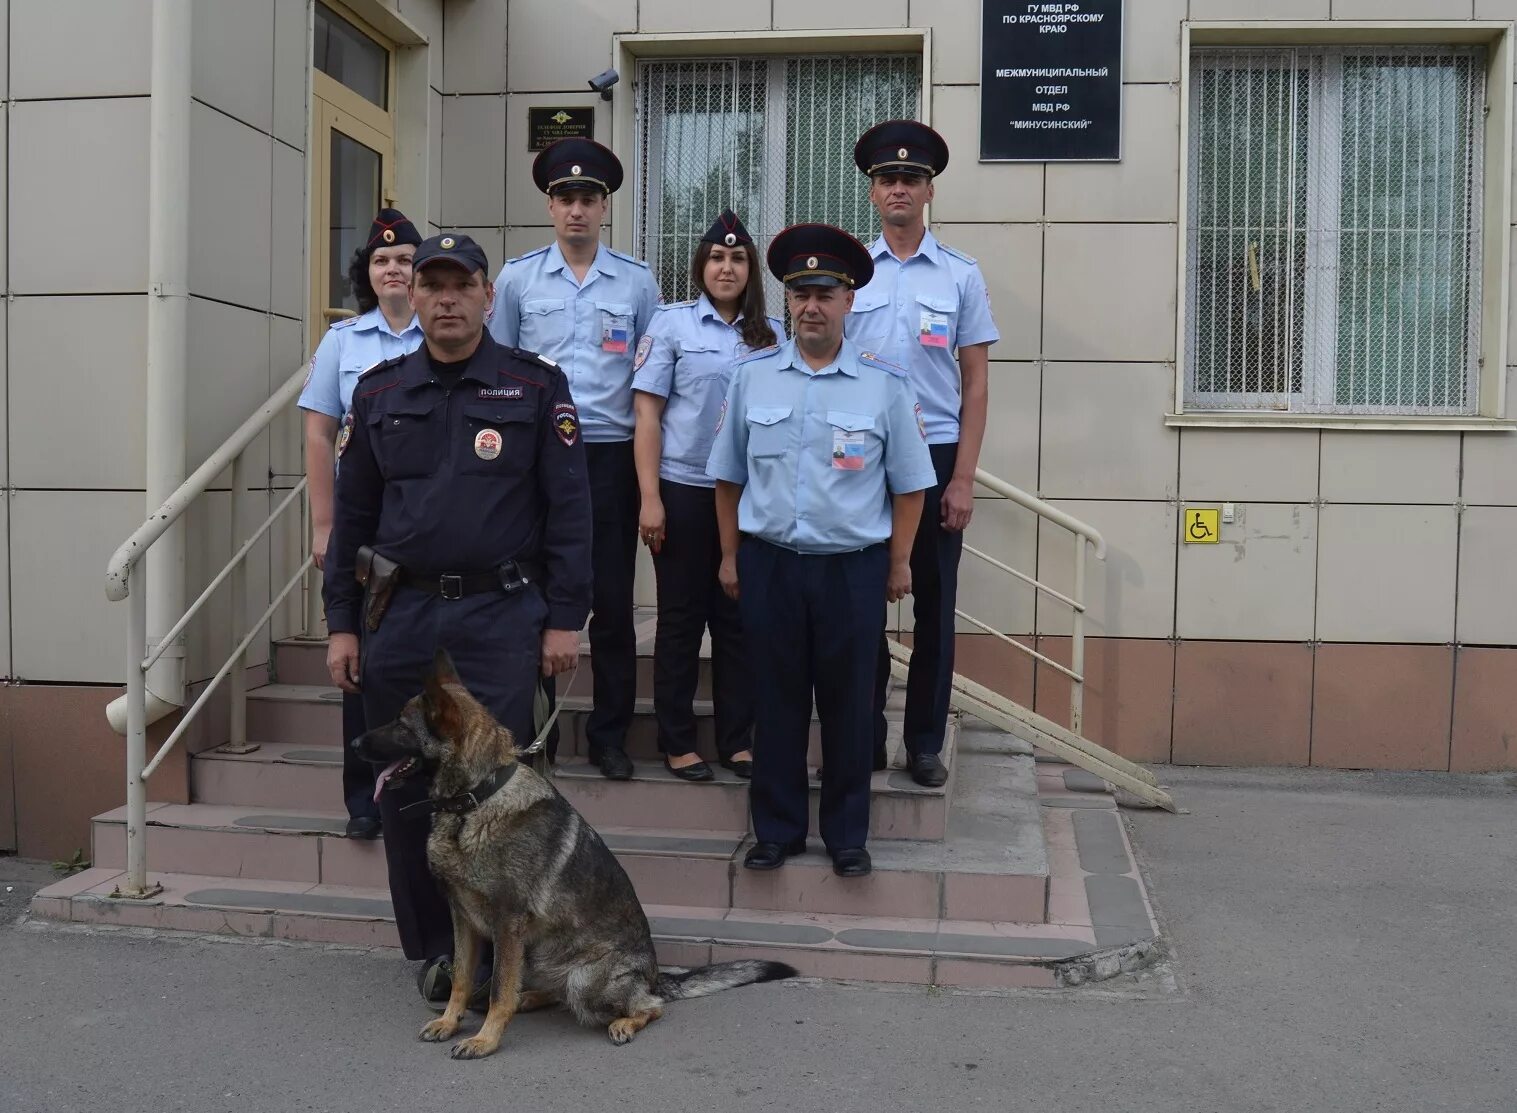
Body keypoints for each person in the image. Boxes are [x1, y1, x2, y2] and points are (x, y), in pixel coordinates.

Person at [323, 232, 592, 1003]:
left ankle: (514, 948)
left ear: (484, 295)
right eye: (430, 284)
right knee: (408, 792)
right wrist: (343, 623)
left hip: (499, 616)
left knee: (499, 795)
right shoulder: (377, 394)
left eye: (459, 284)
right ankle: (439, 954)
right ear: (412, 293)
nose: (444, 298)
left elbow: (568, 513)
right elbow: (353, 521)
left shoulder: (534, 388)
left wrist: (562, 619)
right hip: (401, 617)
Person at [706, 224, 936, 879]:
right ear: (785, 300)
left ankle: (845, 835)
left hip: (851, 569)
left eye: (825, 293)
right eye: (799, 292)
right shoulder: (750, 379)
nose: (811, 305)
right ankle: (775, 830)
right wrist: (728, 557)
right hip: (770, 561)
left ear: (848, 301)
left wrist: (898, 561)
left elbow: (910, 485)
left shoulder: (884, 385)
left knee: (848, 704)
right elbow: (727, 479)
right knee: (774, 702)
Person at [487, 138, 661, 782]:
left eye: (588, 198)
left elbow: (647, 379)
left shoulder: (637, 281)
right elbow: (498, 374)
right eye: (566, 199)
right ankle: (536, 733)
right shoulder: (517, 279)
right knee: (533, 598)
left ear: (605, 206)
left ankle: (610, 735)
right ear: (550, 206)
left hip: (611, 455)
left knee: (613, 601)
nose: (577, 210)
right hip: (539, 460)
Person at [845, 120, 1000, 788]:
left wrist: (962, 477)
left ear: (929, 190)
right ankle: (866, 735)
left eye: (910, 178)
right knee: (860, 604)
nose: (898, 188)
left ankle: (924, 742)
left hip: (935, 457)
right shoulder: (849, 273)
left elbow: (976, 383)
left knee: (933, 607)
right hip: (863, 457)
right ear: (873, 193)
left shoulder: (959, 276)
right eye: (887, 179)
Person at [631, 210, 779, 782]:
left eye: (738, 258)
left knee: (738, 621)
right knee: (681, 620)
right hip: (683, 490)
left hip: (748, 498)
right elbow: (647, 416)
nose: (726, 267)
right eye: (717, 257)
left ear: (751, 271)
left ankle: (736, 740)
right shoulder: (672, 326)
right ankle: (677, 739)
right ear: (701, 265)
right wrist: (650, 497)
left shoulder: (771, 336)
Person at [297, 208, 424, 839]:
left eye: (404, 260)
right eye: (382, 260)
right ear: (366, 274)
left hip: (424, 526)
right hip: (362, 524)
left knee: (421, 658)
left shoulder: (443, 332)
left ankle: (424, 784)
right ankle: (363, 798)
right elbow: (319, 435)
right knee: (359, 662)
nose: (394, 269)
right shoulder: (344, 343)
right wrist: (325, 525)